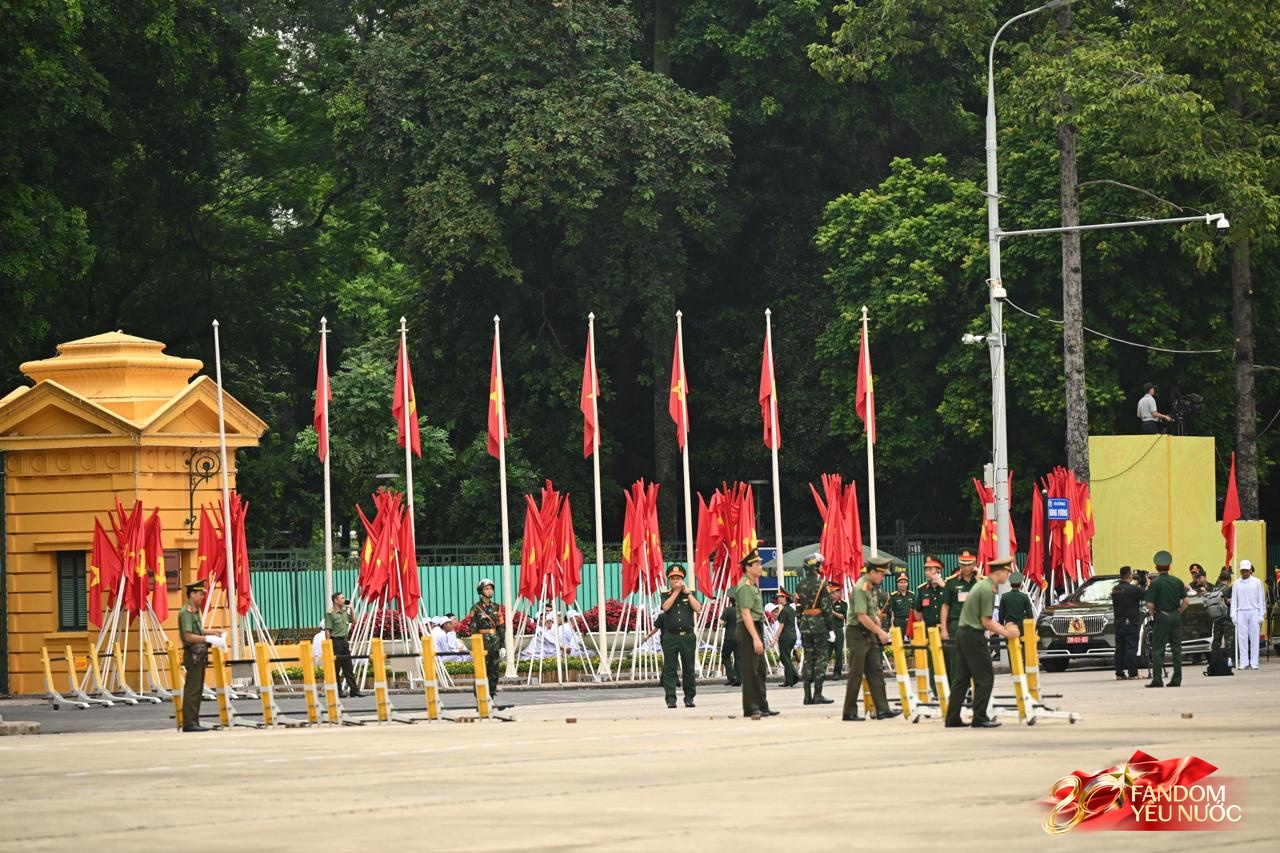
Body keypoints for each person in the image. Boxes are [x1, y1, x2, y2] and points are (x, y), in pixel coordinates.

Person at [945, 557, 1019, 729]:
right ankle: (979, 717)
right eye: (1007, 573)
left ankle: (952, 718)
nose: (1007, 577)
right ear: (1000, 572)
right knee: (985, 677)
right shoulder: (987, 589)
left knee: (962, 679)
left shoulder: (980, 586)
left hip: (963, 633)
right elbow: (986, 621)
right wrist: (1006, 632)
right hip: (973, 635)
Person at [842, 557, 896, 721]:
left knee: (876, 671)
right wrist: (880, 631)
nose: (883, 577)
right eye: (881, 574)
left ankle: (882, 709)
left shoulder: (871, 586)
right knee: (856, 673)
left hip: (868, 632)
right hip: (857, 633)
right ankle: (849, 712)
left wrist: (876, 619)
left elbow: (870, 613)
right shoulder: (861, 588)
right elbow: (861, 616)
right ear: (872, 572)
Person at [734, 550, 777, 717]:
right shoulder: (745, 586)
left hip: (754, 627)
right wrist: (755, 638)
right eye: (757, 564)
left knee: (760, 670)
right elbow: (745, 613)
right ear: (748, 567)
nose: (760, 567)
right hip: (747, 630)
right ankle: (751, 707)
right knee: (750, 670)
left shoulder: (752, 584)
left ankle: (762, 705)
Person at [178, 580, 224, 732]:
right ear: (191, 594)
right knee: (192, 689)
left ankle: (194, 721)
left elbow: (198, 630)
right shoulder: (186, 613)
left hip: (199, 654)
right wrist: (207, 639)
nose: (202, 598)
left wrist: (212, 633)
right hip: (193, 655)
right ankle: (189, 723)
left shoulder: (195, 610)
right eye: (199, 594)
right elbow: (189, 636)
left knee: (197, 689)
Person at [658, 564, 702, 708]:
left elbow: (698, 608)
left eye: (678, 578)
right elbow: (665, 607)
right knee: (670, 668)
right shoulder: (666, 594)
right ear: (669, 580)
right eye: (673, 578)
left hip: (687, 636)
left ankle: (689, 697)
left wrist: (687, 593)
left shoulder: (690, 594)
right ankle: (671, 699)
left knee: (689, 668)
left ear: (683, 579)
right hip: (671, 637)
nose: (676, 581)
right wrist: (676, 592)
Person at [794, 553, 834, 705]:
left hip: (805, 626)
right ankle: (817, 694)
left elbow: (798, 609)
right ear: (815, 566)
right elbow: (826, 609)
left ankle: (806, 696)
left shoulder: (800, 585)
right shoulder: (822, 584)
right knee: (821, 659)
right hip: (820, 626)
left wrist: (802, 624)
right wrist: (831, 629)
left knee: (807, 660)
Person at [1144, 551, 1186, 688]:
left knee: (1158, 649)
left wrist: (1152, 614)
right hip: (1175, 616)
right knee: (1176, 649)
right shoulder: (1177, 581)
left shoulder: (1156, 583)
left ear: (1156, 567)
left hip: (1162, 616)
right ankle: (1177, 679)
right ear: (1169, 566)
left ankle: (1157, 679)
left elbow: (1150, 604)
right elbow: (1186, 601)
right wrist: (1179, 612)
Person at [941, 551, 980, 676]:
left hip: (975, 624)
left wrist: (978, 579)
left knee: (975, 657)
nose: (966, 568)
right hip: (957, 623)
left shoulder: (981, 581)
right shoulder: (951, 582)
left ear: (974, 565)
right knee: (956, 658)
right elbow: (945, 606)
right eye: (963, 565)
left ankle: (974, 687)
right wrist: (943, 629)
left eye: (969, 565)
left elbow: (986, 600)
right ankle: (956, 688)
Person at [913, 556, 947, 694]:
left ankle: (951, 689)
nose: (927, 572)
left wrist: (943, 586)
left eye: (930, 569)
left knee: (949, 660)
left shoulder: (947, 587)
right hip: (929, 630)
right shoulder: (922, 590)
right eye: (926, 569)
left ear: (938, 571)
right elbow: (918, 613)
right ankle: (935, 690)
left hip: (945, 630)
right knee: (932, 662)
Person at [468, 578, 504, 697]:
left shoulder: (497, 607)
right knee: (482, 671)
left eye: (491, 589)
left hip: (495, 643)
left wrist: (502, 645)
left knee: (494, 672)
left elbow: (501, 627)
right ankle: (480, 695)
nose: (489, 591)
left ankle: (491, 694)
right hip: (482, 643)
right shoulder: (476, 608)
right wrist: (476, 646)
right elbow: (473, 629)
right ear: (481, 591)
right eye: (486, 589)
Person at [325, 592, 362, 698]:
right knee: (336, 668)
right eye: (342, 598)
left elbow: (354, 621)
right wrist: (328, 646)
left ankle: (354, 690)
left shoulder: (345, 612)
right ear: (335, 600)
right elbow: (328, 630)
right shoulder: (330, 613)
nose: (344, 600)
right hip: (335, 642)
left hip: (344, 642)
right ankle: (339, 691)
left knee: (348, 666)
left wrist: (351, 608)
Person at [1231, 560, 1265, 670]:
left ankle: (1254, 662)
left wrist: (1261, 614)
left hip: (1254, 611)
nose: (1244, 573)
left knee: (1254, 638)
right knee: (1242, 638)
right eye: (1242, 571)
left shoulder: (1257, 582)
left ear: (1250, 570)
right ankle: (1244, 662)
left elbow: (1261, 599)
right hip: (1241, 612)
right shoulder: (1236, 583)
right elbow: (1234, 601)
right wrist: (1233, 615)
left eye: (1246, 571)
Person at [1110, 566, 1143, 680]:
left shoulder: (1115, 589)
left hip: (1118, 622)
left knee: (1120, 648)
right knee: (1131, 647)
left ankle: (1119, 673)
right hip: (1130, 622)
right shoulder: (1132, 589)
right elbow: (1145, 594)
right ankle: (1133, 673)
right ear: (1129, 575)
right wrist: (1142, 583)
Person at [773, 589, 799, 687]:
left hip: (786, 637)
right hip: (792, 636)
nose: (778, 598)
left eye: (780, 596)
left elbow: (781, 626)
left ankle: (794, 676)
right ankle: (789, 680)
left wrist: (774, 638)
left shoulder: (784, 611)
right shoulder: (790, 609)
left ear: (785, 598)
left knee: (784, 657)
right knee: (784, 657)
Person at [828, 581, 847, 677]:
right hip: (828, 630)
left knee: (838, 652)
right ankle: (821, 672)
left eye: (833, 592)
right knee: (826, 652)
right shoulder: (827, 603)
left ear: (838, 592)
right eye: (830, 592)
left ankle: (837, 672)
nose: (831, 594)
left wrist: (833, 612)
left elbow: (844, 617)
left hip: (838, 630)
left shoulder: (843, 604)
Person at [720, 599, 740, 686]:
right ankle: (738, 678)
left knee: (725, 656)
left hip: (730, 637)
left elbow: (721, 622)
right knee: (738, 658)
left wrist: (726, 623)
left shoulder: (728, 610)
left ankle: (732, 676)